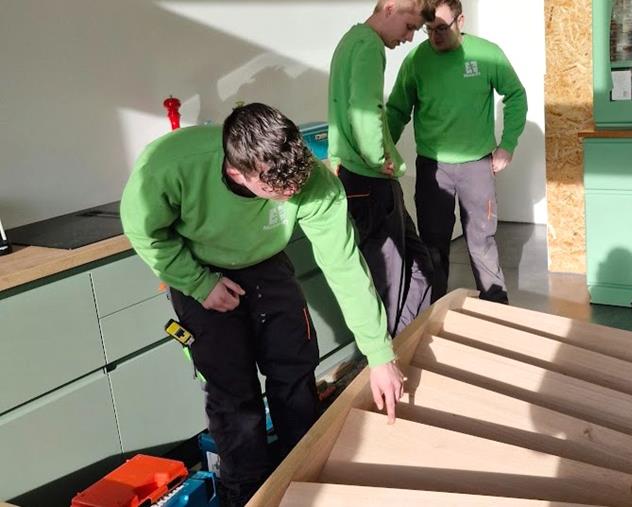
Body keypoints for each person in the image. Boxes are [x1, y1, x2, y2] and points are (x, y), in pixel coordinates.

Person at [120, 103, 406, 506]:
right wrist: (198, 283)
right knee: (233, 397)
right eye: (279, 191)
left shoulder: (312, 179)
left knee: (295, 370)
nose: (293, 194)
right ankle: (247, 496)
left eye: (298, 185)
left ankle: (306, 479)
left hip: (267, 263)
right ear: (237, 173)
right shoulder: (169, 165)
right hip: (199, 268)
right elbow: (144, 231)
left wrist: (380, 355)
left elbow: (344, 265)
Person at [386, 0, 527, 304]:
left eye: (441, 28)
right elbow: (397, 110)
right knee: (433, 246)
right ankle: (436, 314)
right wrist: (383, 151)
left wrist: (507, 145)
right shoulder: (416, 60)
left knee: (481, 242)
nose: (435, 36)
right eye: (428, 30)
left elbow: (515, 95)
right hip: (433, 169)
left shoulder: (486, 54)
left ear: (460, 21)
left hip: (477, 168)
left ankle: (496, 311)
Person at [328, 0, 437, 336]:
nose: (409, 38)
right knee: (388, 277)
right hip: (371, 180)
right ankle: (387, 358)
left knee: (419, 266)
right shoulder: (370, 46)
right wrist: (379, 158)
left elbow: (338, 106)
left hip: (360, 176)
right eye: (409, 27)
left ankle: (410, 338)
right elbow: (364, 109)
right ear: (390, 7)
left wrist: (337, 156)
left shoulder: (350, 40)